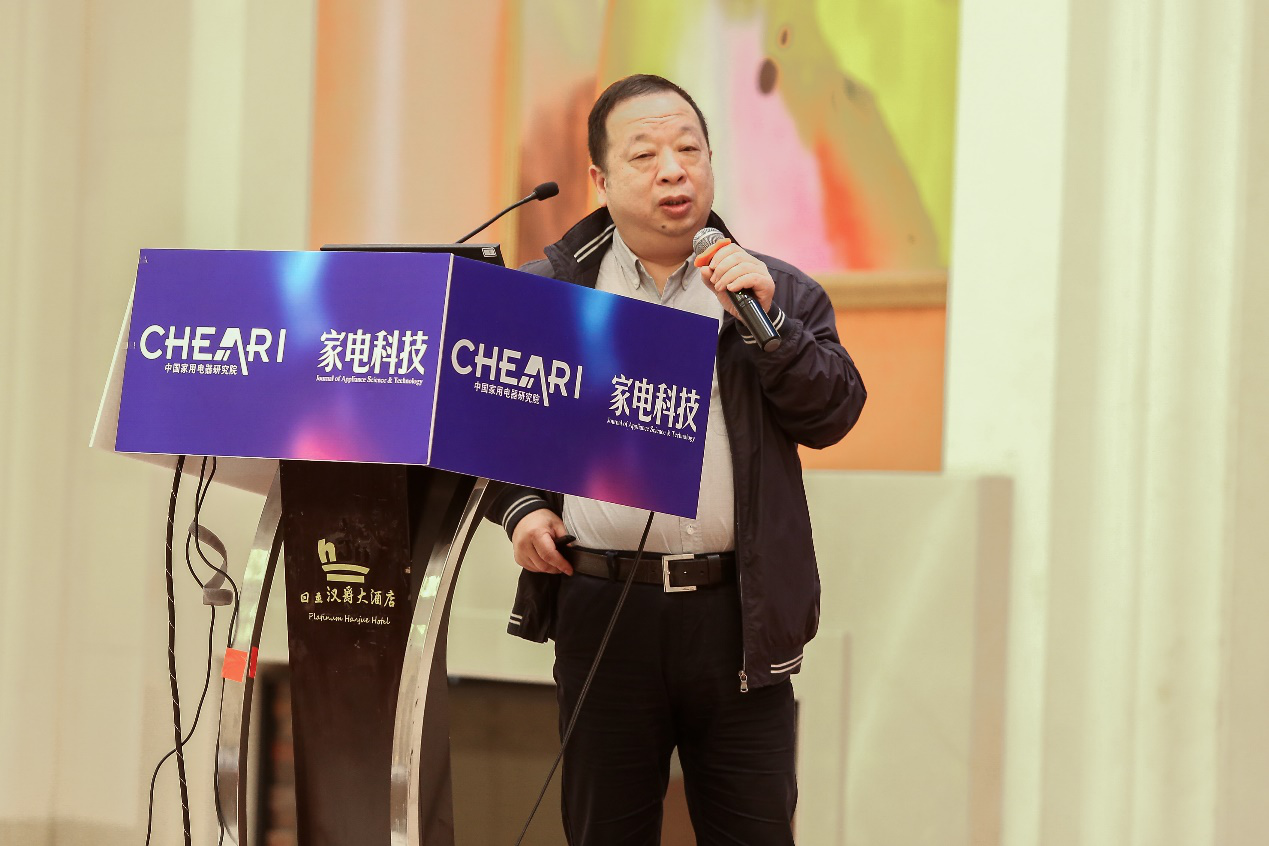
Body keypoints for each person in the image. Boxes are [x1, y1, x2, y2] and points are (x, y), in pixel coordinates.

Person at [487, 74, 866, 845]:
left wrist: (771, 329)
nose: (673, 170)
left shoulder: (775, 291)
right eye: (645, 155)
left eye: (689, 150)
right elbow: (491, 421)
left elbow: (833, 414)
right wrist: (520, 509)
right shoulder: (553, 294)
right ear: (599, 180)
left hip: (736, 617)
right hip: (602, 604)